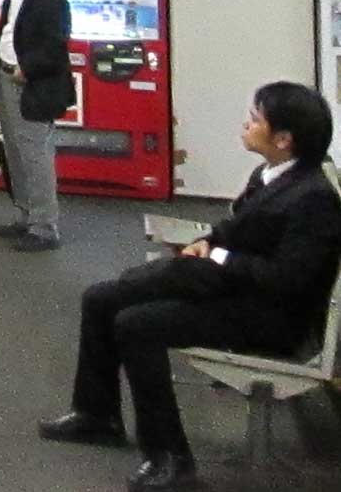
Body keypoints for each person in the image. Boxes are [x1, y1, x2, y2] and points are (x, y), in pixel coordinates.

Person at [39, 83, 341, 491]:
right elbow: (237, 226)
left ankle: (170, 457)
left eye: (255, 119)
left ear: (284, 140)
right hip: (237, 292)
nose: (245, 124)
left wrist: (219, 258)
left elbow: (288, 280)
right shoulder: (269, 174)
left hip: (272, 317)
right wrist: (210, 241)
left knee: (137, 324)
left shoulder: (314, 199)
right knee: (100, 298)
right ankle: (97, 415)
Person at [0, 0, 72, 251]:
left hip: (32, 80)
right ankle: (26, 215)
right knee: (16, 150)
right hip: (6, 75)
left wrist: (27, 68)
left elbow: (57, 39)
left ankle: (44, 226)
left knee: (35, 152)